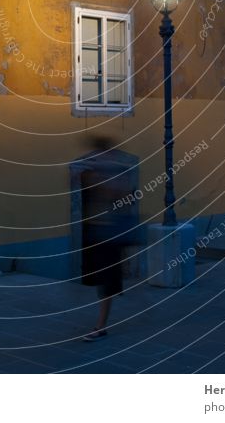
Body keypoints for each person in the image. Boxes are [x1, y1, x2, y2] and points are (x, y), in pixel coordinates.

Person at [80, 136, 136, 341]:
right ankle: (101, 321)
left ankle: (100, 326)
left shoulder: (117, 173)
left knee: (107, 282)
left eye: (100, 153)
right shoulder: (92, 171)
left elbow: (121, 196)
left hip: (110, 234)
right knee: (98, 279)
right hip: (96, 233)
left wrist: (101, 180)